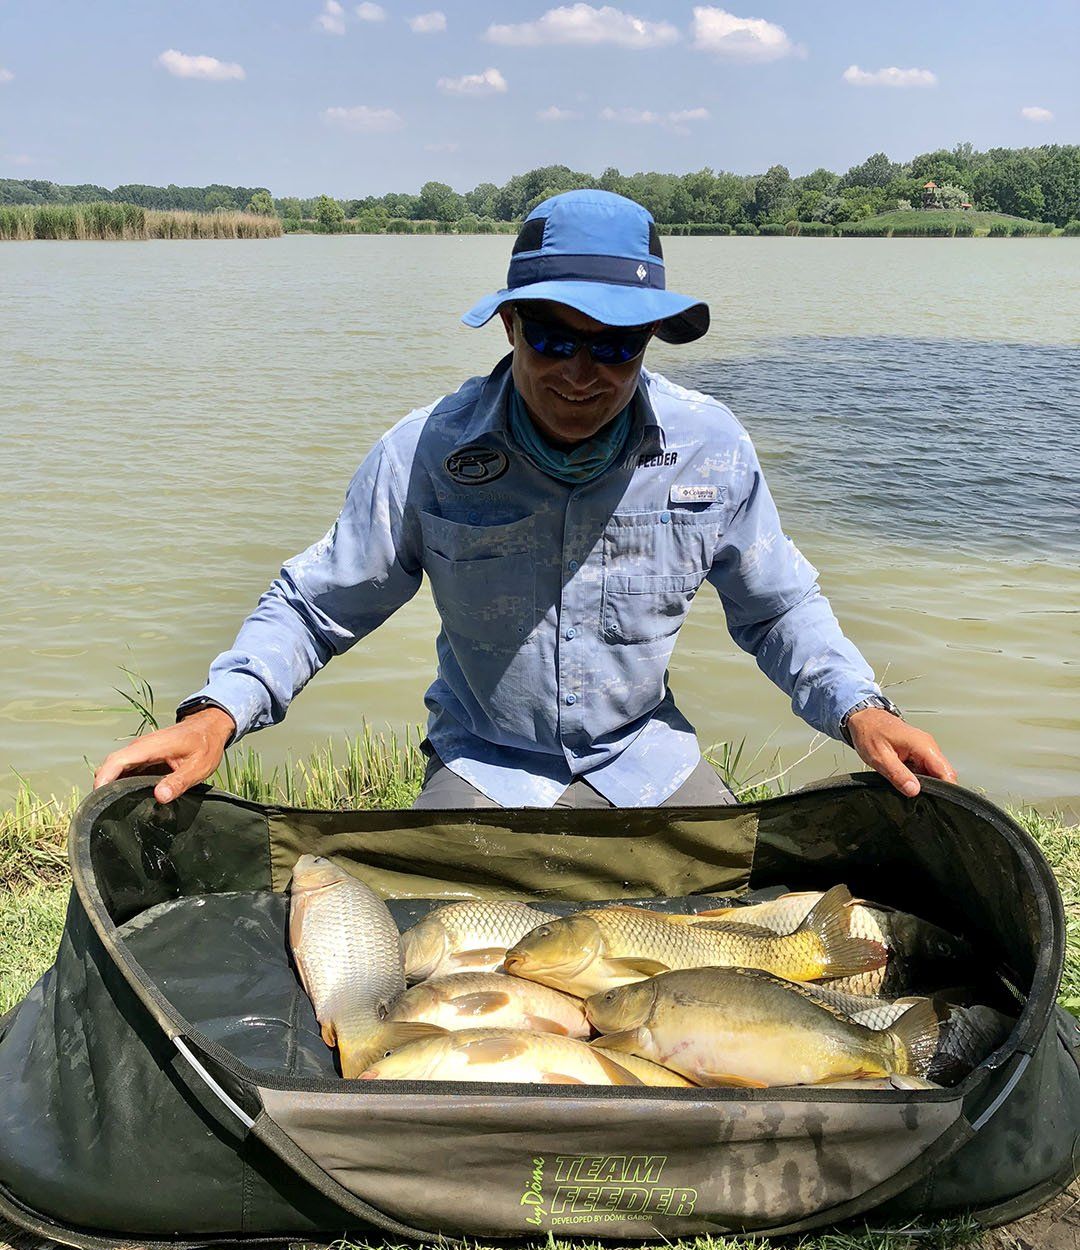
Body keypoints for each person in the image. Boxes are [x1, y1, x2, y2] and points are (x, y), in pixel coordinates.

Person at [95, 189, 956, 809]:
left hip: (646, 765)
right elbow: (317, 605)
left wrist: (859, 708)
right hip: (484, 769)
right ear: (509, 327)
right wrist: (215, 715)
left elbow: (777, 610)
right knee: (432, 976)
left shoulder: (711, 448)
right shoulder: (430, 449)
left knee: (719, 957)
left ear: (649, 341)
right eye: (553, 337)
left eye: (616, 346)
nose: (583, 374)